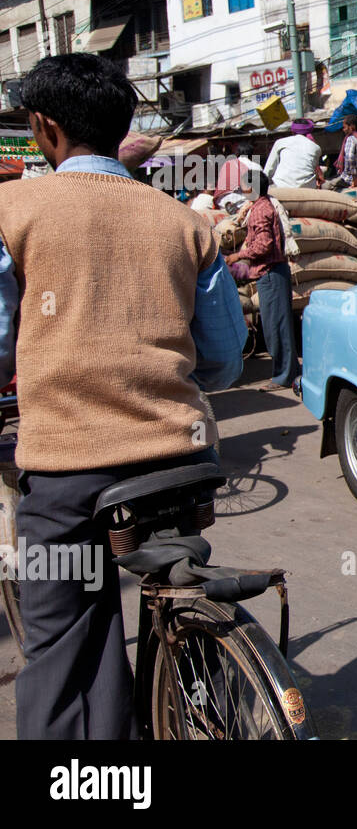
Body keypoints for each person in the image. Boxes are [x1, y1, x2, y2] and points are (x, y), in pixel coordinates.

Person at [0, 53, 246, 738]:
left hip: (68, 480)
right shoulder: (185, 223)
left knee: (63, 640)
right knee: (165, 579)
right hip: (182, 466)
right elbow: (225, 360)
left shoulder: (11, 209)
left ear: (44, 127)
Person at [227, 169, 299, 391]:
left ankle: (283, 377)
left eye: (244, 186)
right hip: (272, 272)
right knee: (278, 326)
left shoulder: (260, 211)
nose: (242, 189)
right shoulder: (264, 205)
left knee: (275, 327)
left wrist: (237, 256)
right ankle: (288, 372)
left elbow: (263, 245)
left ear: (252, 188)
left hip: (270, 274)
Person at [264, 119, 324, 189]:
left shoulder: (280, 142)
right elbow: (314, 168)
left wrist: (262, 186)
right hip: (307, 186)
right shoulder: (316, 147)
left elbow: (269, 169)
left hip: (281, 185)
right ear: (309, 132)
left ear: (292, 131)